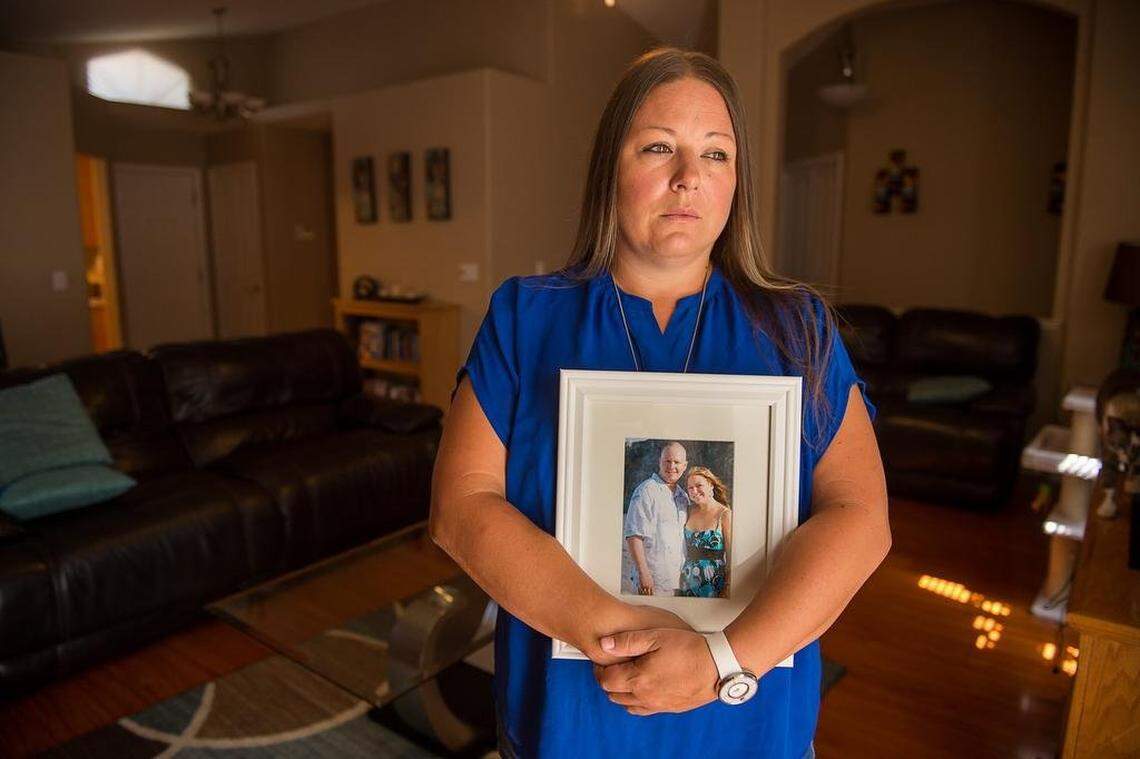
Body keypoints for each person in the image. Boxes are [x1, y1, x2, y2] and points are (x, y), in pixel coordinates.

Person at [429, 47, 890, 759]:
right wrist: (624, 637)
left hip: (747, 720)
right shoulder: (525, 317)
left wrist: (720, 661)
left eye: (716, 154)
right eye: (658, 148)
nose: (688, 178)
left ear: (737, 181)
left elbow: (861, 518)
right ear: (610, 166)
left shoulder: (798, 326)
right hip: (576, 718)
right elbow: (462, 509)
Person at [623, 441, 690, 596]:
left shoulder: (683, 497)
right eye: (667, 461)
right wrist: (644, 574)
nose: (671, 466)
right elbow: (634, 535)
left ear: (685, 466)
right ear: (659, 462)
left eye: (677, 462)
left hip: (679, 581)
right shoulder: (647, 491)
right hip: (653, 582)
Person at [678, 466, 731, 598]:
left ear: (711, 485)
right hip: (687, 579)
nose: (694, 491)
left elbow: (731, 556)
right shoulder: (687, 511)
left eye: (699, 485)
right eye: (690, 488)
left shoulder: (724, 514)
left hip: (713, 581)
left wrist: (728, 586)